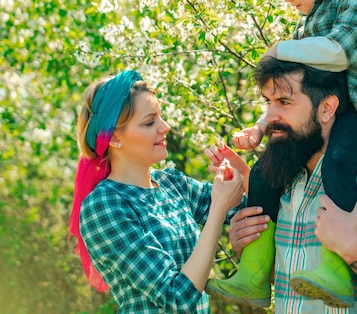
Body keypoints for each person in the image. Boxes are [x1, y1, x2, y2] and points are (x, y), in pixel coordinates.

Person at [206, 0, 357, 309]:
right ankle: (255, 273)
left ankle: (334, 270)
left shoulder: (353, 5)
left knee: (340, 164)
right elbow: (291, 89)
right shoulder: (306, 24)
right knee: (264, 172)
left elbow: (338, 53)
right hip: (329, 115)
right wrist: (262, 127)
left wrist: (279, 50)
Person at [208, 57, 357, 313]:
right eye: (268, 103)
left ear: (327, 108)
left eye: (284, 102)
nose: (270, 117)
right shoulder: (285, 183)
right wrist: (249, 249)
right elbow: (295, 285)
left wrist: (351, 249)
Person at [68, 70, 246, 313]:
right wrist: (217, 209)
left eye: (160, 117)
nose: (165, 127)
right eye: (149, 122)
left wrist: (241, 173)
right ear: (114, 137)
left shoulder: (172, 184)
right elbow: (177, 298)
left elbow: (249, 210)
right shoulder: (105, 206)